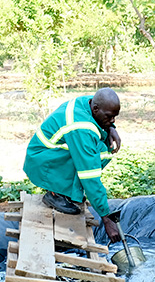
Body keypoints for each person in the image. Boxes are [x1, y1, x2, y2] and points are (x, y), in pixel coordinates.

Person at [23, 87, 122, 243]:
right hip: (42, 162)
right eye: (109, 117)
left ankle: (66, 192)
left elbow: (103, 113)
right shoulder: (81, 128)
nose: (113, 120)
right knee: (95, 155)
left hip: (47, 156)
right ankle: (56, 194)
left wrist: (111, 128)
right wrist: (106, 218)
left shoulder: (88, 102)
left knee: (99, 148)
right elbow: (90, 176)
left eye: (115, 117)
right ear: (95, 109)